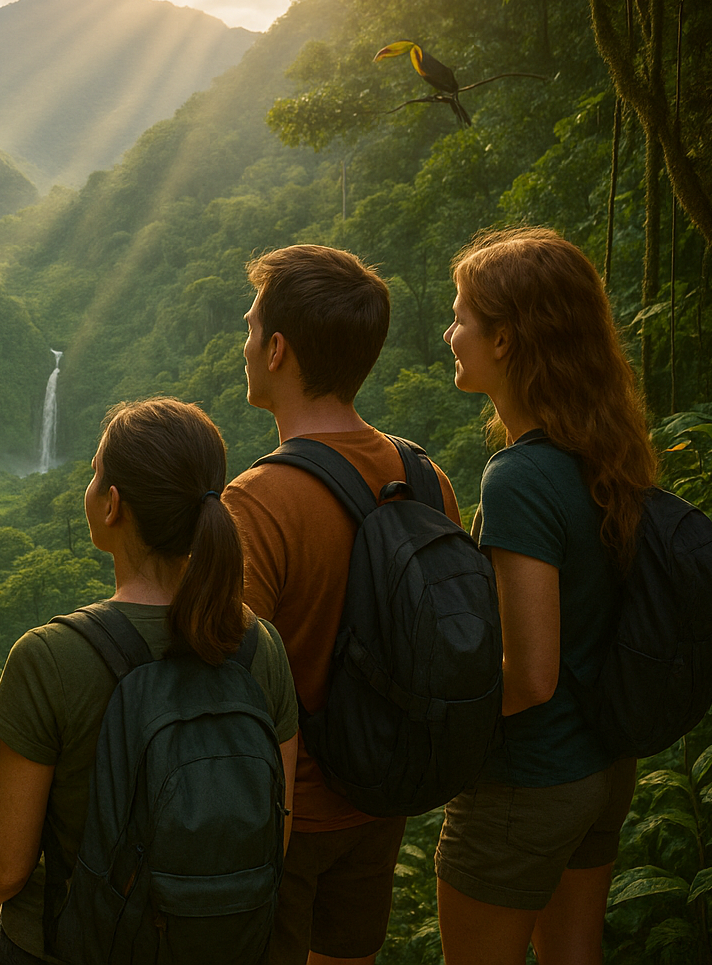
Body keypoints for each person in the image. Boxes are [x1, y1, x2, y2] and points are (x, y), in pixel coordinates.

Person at [0, 397, 300, 964]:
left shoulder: (49, 657)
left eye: (95, 474)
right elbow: (277, 836)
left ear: (113, 505)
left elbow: (1, 876)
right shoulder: (258, 647)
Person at [222, 245, 461, 965]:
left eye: (249, 326)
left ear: (277, 350)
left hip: (288, 820)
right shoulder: (425, 477)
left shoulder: (256, 503)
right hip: (384, 797)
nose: (244, 341)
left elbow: (233, 685)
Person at [435, 227, 651, 965]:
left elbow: (529, 676)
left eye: (462, 316)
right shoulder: (606, 448)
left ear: (507, 339)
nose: (450, 333)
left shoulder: (519, 478)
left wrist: (430, 714)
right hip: (601, 768)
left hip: (526, 784)